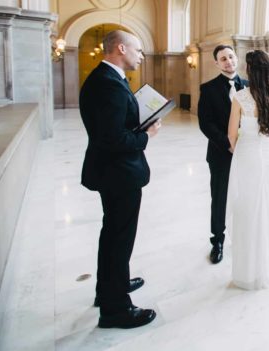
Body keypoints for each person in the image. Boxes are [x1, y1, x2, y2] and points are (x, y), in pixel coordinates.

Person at [79, 30, 159, 329]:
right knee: (119, 238)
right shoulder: (108, 85)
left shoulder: (107, 79)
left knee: (113, 234)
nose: (141, 56)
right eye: (138, 50)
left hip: (114, 172)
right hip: (118, 173)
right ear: (121, 48)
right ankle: (115, 310)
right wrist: (146, 134)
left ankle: (110, 287)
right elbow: (113, 139)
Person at [226, 50, 269, 290]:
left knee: (247, 208)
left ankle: (248, 270)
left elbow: (232, 135)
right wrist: (268, 144)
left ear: (249, 70)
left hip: (248, 155)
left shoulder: (240, 97)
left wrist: (239, 148)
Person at [198, 45, 248, 264]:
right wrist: (227, 143)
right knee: (219, 198)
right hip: (220, 153)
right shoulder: (208, 89)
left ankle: (245, 237)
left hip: (247, 153)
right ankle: (217, 240)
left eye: (231, 56)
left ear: (236, 59)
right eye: (223, 59)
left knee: (245, 196)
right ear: (217, 64)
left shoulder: (249, 86)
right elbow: (205, 123)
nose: (228, 61)